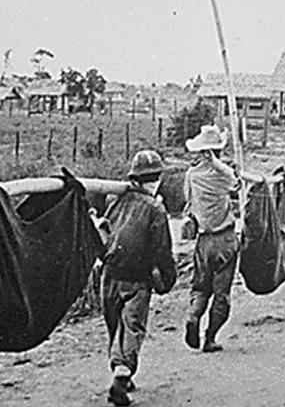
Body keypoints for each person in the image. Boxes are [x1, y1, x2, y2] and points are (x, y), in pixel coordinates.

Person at [100, 150, 177, 406]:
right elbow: (162, 249)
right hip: (137, 278)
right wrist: (168, 277)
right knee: (132, 326)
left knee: (115, 325)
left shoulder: (116, 199)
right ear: (155, 180)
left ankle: (121, 371)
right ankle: (121, 378)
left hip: (109, 275)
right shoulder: (155, 208)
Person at [183, 125, 240, 353]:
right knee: (221, 293)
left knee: (200, 287)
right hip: (225, 238)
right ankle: (210, 338)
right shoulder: (222, 176)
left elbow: (188, 206)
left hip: (203, 240)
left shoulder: (191, 175)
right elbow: (236, 183)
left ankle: (193, 315)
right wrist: (219, 164)